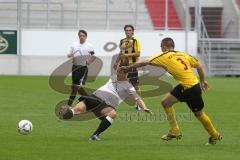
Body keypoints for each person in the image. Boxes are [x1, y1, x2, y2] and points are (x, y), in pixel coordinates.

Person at [119, 37, 222, 145]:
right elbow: (199, 66)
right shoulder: (183, 54)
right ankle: (175, 131)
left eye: (161, 47)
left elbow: (144, 62)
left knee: (198, 113)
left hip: (190, 89)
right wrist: (203, 81)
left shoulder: (164, 56)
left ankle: (215, 135)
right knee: (166, 102)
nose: (161, 49)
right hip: (190, 85)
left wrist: (127, 68)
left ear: (164, 46)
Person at [59, 69, 153, 141]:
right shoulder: (113, 77)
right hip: (94, 98)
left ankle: (95, 135)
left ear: (127, 75)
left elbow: (138, 99)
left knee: (112, 114)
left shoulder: (129, 87)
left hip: (105, 106)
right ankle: (67, 112)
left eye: (121, 72)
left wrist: (144, 107)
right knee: (77, 110)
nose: (118, 73)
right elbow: (119, 64)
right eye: (119, 71)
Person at [113, 24, 141, 111]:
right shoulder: (122, 41)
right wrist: (116, 62)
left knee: (135, 86)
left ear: (133, 31)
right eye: (126, 30)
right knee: (119, 85)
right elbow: (121, 53)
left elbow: (138, 53)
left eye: (130, 30)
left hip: (132, 65)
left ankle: (138, 104)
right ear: (124, 31)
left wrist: (127, 55)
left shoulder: (136, 41)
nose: (128, 32)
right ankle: (114, 104)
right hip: (122, 65)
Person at [67, 30, 96, 107]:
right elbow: (69, 54)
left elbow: (93, 56)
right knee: (74, 86)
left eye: (83, 36)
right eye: (80, 36)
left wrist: (89, 61)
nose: (81, 37)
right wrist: (70, 55)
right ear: (78, 36)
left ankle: (70, 104)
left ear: (86, 37)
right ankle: (87, 101)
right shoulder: (74, 44)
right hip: (75, 67)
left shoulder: (89, 46)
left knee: (78, 87)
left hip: (83, 68)